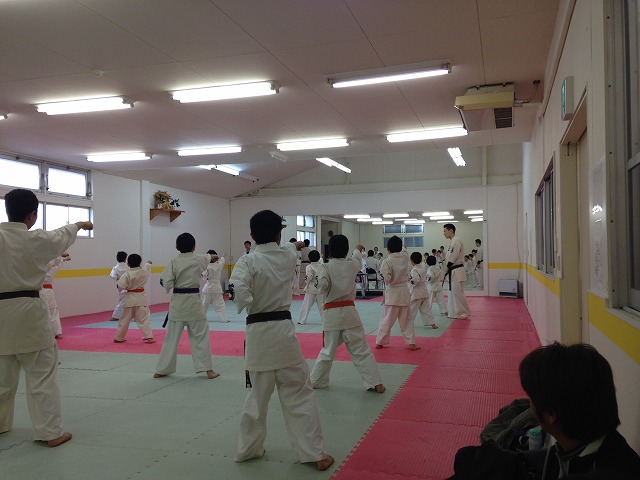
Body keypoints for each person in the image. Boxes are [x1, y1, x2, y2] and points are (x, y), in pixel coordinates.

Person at [229, 210, 333, 471]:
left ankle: (248, 450)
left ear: (252, 235)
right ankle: (314, 453)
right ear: (279, 234)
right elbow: (291, 246)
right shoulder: (287, 256)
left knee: (256, 397)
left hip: (257, 335)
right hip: (284, 333)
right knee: (299, 394)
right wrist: (297, 243)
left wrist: (249, 298)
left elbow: (240, 295)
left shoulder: (247, 262)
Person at [449, 343, 640, 479]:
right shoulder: (581, 449)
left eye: (531, 399)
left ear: (550, 416)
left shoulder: (606, 470)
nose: (530, 405)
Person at [0, 188, 93, 448]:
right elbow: (61, 235)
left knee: (2, 376)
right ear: (32, 215)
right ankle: (50, 433)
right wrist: (79, 224)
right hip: (29, 311)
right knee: (41, 376)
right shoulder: (38, 239)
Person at [310, 235, 385, 393]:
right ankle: (375, 382)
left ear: (330, 250)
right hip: (350, 313)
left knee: (327, 351)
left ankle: (316, 380)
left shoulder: (325, 267)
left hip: (332, 314)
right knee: (361, 349)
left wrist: (318, 281)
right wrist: (357, 249)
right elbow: (357, 255)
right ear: (346, 250)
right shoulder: (352, 264)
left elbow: (321, 286)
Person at [154, 233, 219, 380]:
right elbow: (209, 257)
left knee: (171, 339)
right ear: (194, 247)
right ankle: (208, 370)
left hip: (178, 304)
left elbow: (166, 282)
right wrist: (213, 257)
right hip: (194, 304)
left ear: (177, 247)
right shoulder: (198, 259)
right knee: (200, 337)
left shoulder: (173, 262)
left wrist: (167, 282)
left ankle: (161, 370)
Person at [375, 236, 420, 350]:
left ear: (387, 249)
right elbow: (404, 250)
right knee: (407, 320)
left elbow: (387, 279)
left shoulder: (387, 261)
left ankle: (380, 341)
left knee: (387, 320)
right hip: (404, 292)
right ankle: (411, 342)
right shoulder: (405, 258)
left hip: (393, 293)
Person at [113, 254, 155, 343]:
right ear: (140, 263)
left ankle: (118, 337)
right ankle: (149, 337)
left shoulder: (127, 274)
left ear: (128, 264)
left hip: (129, 300)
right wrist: (148, 263)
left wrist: (118, 286)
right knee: (144, 319)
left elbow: (120, 286)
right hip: (141, 299)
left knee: (124, 320)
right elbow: (147, 265)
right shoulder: (144, 271)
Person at [443, 223, 471, 319]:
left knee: (457, 293)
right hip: (453, 270)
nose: (444, 233)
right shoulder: (451, 242)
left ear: (451, 231)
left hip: (456, 270)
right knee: (452, 293)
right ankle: (453, 313)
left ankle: (463, 313)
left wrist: (447, 267)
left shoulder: (456, 240)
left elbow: (454, 256)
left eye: (445, 231)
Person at [42, 252, 71, 339]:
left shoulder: (38, 268)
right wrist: (63, 258)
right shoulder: (53, 267)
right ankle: (57, 332)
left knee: (43, 312)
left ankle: (46, 333)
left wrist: (62, 257)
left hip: (39, 291)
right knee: (53, 311)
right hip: (49, 291)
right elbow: (57, 262)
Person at [408, 252, 437, 329]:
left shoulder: (414, 270)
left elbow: (416, 280)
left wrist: (410, 280)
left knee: (412, 309)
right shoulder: (423, 267)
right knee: (426, 309)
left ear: (411, 260)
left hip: (417, 293)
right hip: (424, 290)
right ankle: (432, 323)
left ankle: (408, 323)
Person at [201, 250, 229, 323]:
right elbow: (222, 261)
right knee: (220, 305)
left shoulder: (206, 267)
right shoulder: (219, 265)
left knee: (203, 305)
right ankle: (224, 319)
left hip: (207, 289)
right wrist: (223, 256)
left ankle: (200, 319)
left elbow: (203, 275)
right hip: (217, 288)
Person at [297, 250, 323, 325]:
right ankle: (325, 321)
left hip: (311, 289)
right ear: (318, 258)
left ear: (309, 258)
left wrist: (306, 280)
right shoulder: (322, 266)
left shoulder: (309, 267)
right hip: (320, 288)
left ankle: (302, 320)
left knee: (306, 305)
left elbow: (309, 277)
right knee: (322, 307)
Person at [109, 251, 128, 321]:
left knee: (122, 302)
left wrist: (118, 280)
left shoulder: (115, 268)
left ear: (117, 258)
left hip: (120, 287)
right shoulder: (128, 268)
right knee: (129, 302)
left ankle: (116, 316)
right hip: (129, 287)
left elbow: (113, 276)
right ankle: (115, 316)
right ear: (125, 259)